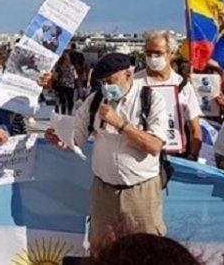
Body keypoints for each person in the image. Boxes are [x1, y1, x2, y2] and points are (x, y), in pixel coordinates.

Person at [45, 53, 169, 249]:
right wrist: (61, 139)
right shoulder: (95, 100)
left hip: (139, 191)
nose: (105, 87)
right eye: (102, 82)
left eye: (110, 81)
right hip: (104, 191)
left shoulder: (151, 100)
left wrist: (120, 124)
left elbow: (154, 146)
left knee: (146, 251)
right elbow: (76, 138)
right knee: (101, 249)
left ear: (128, 75)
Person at [133, 30, 203, 159]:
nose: (152, 57)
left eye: (158, 53)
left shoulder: (182, 85)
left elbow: (195, 128)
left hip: (175, 156)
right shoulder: (134, 83)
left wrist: (193, 155)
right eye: (149, 53)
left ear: (172, 53)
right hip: (141, 155)